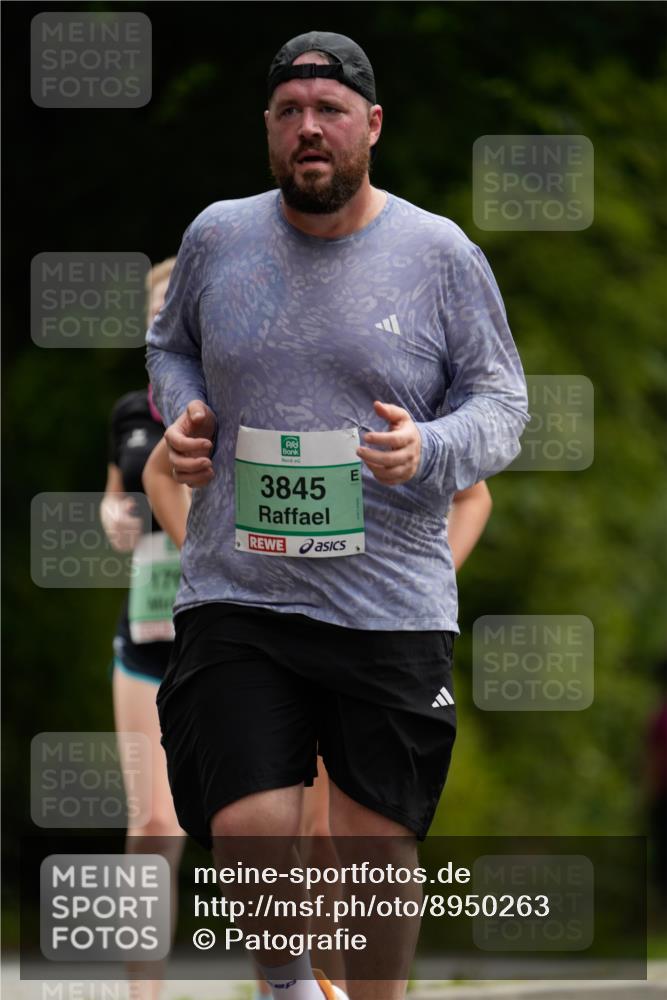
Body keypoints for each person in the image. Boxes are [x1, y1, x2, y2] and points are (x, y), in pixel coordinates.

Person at [146, 30, 528, 1000]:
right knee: (249, 822)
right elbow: (170, 345)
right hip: (240, 585)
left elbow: (503, 407)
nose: (308, 128)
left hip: (386, 601)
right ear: (269, 129)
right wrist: (182, 414)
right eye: (288, 112)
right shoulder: (217, 236)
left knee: (372, 852)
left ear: (372, 125)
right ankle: (285, 987)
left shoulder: (438, 254)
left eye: (329, 111)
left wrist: (428, 448)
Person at [143, 441, 493, 1000]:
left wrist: (423, 579)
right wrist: (214, 565)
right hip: (256, 627)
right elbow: (158, 470)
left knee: (341, 837)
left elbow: (474, 494)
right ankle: (292, 987)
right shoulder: (229, 377)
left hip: (370, 630)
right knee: (265, 828)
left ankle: (343, 983)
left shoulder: (398, 386)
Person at [100, 256, 184, 1000]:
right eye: (155, 308)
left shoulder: (230, 401)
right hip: (144, 633)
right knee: (154, 822)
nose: (164, 317)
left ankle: (284, 981)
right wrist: (114, 518)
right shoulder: (130, 412)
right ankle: (143, 997)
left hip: (223, 639)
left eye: (176, 305)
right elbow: (115, 500)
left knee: (253, 826)